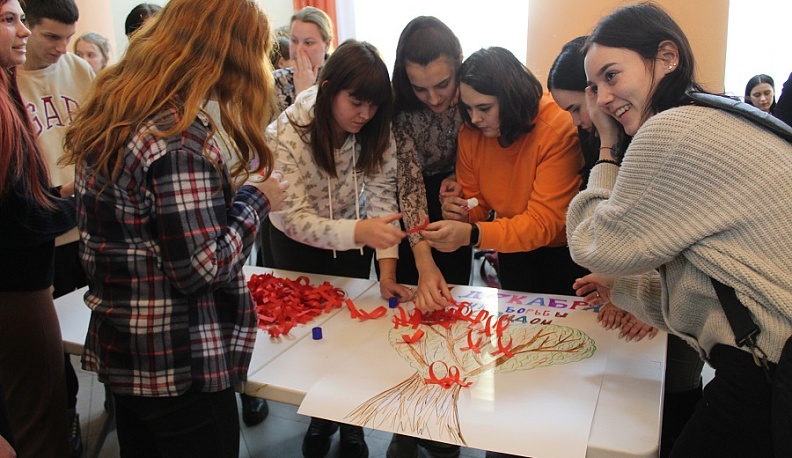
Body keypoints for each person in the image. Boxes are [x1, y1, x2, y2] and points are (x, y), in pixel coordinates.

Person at [61, 0, 289, 455]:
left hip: (127, 351)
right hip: (180, 366)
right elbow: (201, 269)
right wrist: (256, 200)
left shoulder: (117, 108)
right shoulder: (176, 139)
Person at [567, 3, 792, 457]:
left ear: (666, 56)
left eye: (611, 76)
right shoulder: (710, 112)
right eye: (593, 87)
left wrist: (607, 144)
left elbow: (590, 242)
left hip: (766, 364)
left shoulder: (669, 130)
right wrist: (624, 287)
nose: (602, 99)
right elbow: (701, 279)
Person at [548, 35, 704, 458]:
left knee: (675, 396)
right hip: (658, 294)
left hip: (689, 303)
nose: (580, 121)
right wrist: (623, 281)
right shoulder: (610, 135)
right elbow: (613, 230)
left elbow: (672, 235)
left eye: (579, 108)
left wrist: (637, 287)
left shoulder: (663, 132)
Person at [266, 39, 412, 458]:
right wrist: (357, 232)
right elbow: (288, 216)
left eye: (373, 106)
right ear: (329, 88)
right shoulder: (287, 133)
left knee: (349, 338)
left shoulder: (374, 126)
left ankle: (350, 423)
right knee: (311, 338)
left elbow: (383, 196)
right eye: (356, 103)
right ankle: (318, 417)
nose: (364, 115)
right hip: (298, 244)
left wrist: (386, 272)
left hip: (355, 237)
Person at [420, 47, 586, 297]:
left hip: (563, 253)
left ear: (511, 99)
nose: (475, 118)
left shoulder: (557, 128)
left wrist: (473, 233)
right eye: (468, 108)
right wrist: (460, 212)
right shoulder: (471, 132)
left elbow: (544, 223)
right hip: (511, 248)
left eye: (485, 108)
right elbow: (478, 203)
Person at [387, 16, 469, 458]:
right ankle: (403, 425)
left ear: (458, 62)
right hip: (410, 208)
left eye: (442, 84)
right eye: (421, 89)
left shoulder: (473, 87)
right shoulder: (399, 107)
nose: (434, 99)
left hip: (457, 200)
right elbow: (407, 182)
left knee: (450, 312)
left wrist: (462, 183)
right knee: (409, 318)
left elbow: (483, 152)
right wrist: (421, 256)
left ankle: (440, 419)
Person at [16, 0, 94, 455]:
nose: (62, 48)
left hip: (87, 226)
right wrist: (55, 191)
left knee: (106, 323)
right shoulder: (11, 80)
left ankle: (126, 406)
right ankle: (67, 416)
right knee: (51, 346)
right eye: (51, 37)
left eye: (69, 37)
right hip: (41, 233)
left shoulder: (78, 70)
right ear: (26, 26)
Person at [0, 0, 74, 456]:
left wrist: (56, 195)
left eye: (22, 18)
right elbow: (19, 219)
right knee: (39, 419)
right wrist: (83, 206)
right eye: (9, 19)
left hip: (21, 274)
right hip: (15, 284)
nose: (23, 31)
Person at [272, 6, 333, 113]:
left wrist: (304, 92)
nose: (298, 50)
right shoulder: (274, 81)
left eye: (308, 43)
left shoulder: (340, 79)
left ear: (326, 44)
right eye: (294, 41)